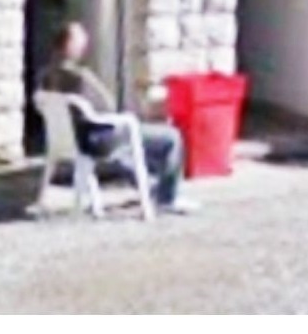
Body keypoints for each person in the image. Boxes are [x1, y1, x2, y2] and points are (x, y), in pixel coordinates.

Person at [40, 19, 195, 213]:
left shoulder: (47, 76)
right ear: (70, 45)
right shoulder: (78, 77)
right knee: (171, 137)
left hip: (78, 139)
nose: (85, 45)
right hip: (99, 139)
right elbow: (108, 105)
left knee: (129, 144)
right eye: (80, 41)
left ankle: (150, 186)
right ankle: (167, 197)